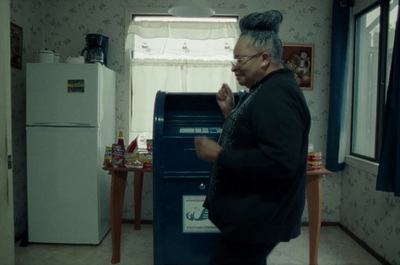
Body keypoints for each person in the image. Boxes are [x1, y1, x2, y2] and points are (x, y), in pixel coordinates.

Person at [194, 10, 311, 265]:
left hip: (258, 218)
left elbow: (280, 162)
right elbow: (256, 136)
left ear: (265, 58)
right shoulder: (266, 89)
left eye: (239, 60)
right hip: (252, 217)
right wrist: (230, 113)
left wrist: (219, 154)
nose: (234, 67)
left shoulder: (278, 95)